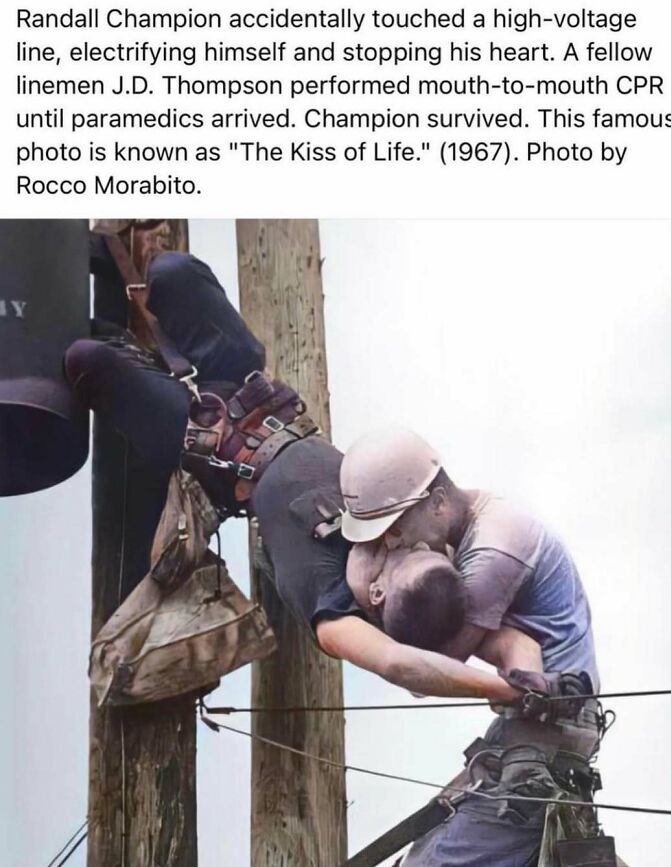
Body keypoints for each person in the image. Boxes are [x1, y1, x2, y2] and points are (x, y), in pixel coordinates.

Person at [64, 249, 524, 705]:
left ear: (379, 593)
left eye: (404, 560)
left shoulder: (331, 597)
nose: (404, 545)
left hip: (207, 446)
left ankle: (112, 341)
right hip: (252, 393)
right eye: (422, 549)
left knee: (87, 357)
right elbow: (504, 638)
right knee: (171, 272)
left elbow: (400, 666)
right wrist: (530, 679)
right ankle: (127, 300)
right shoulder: (415, 558)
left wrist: (497, 691)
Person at [336, 427, 605, 867]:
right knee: (423, 851)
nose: (392, 543)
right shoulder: (470, 524)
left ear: (438, 502)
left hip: (546, 735)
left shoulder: (493, 553)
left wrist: (365, 588)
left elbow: (426, 672)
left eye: (396, 527)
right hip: (525, 728)